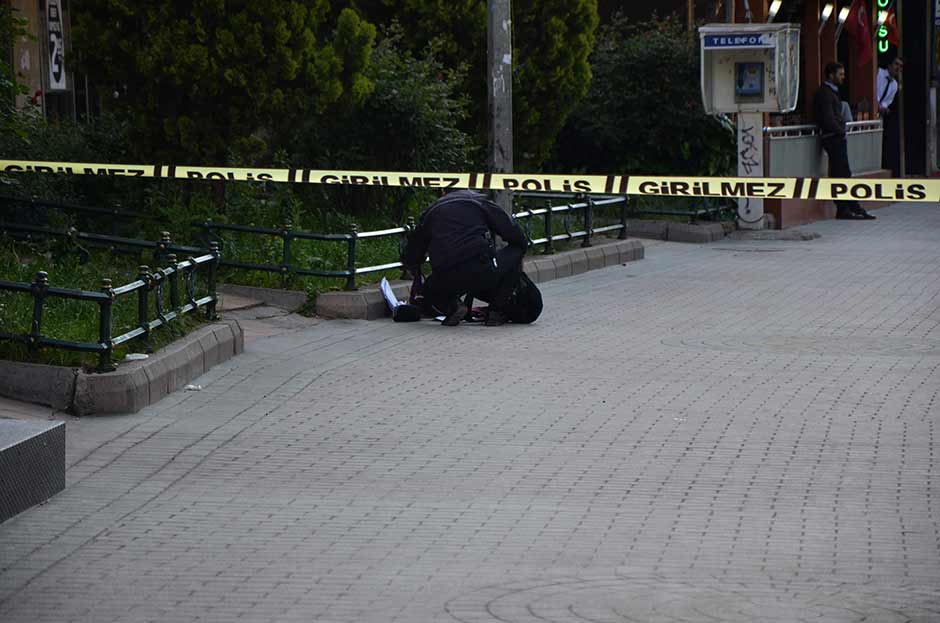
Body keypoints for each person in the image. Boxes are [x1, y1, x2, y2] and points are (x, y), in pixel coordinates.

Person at [402, 189, 528, 327]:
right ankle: (496, 311)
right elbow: (510, 230)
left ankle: (454, 306)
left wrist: (413, 266)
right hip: (480, 267)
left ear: (444, 192)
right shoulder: (479, 201)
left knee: (429, 289)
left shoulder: (432, 211)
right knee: (517, 250)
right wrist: (520, 246)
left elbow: (414, 249)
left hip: (445, 275)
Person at [813, 62, 876, 220]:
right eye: (840, 74)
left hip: (836, 137)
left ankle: (851, 207)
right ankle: (846, 208)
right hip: (832, 137)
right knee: (840, 173)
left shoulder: (832, 92)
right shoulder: (825, 93)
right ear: (831, 75)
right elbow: (828, 119)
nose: (843, 77)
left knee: (843, 173)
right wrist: (841, 131)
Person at [877, 57, 903, 177]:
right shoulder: (879, 73)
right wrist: (876, 105)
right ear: (889, 65)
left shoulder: (894, 85)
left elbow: (886, 102)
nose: (898, 68)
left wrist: (884, 108)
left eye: (900, 66)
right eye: (896, 64)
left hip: (879, 115)